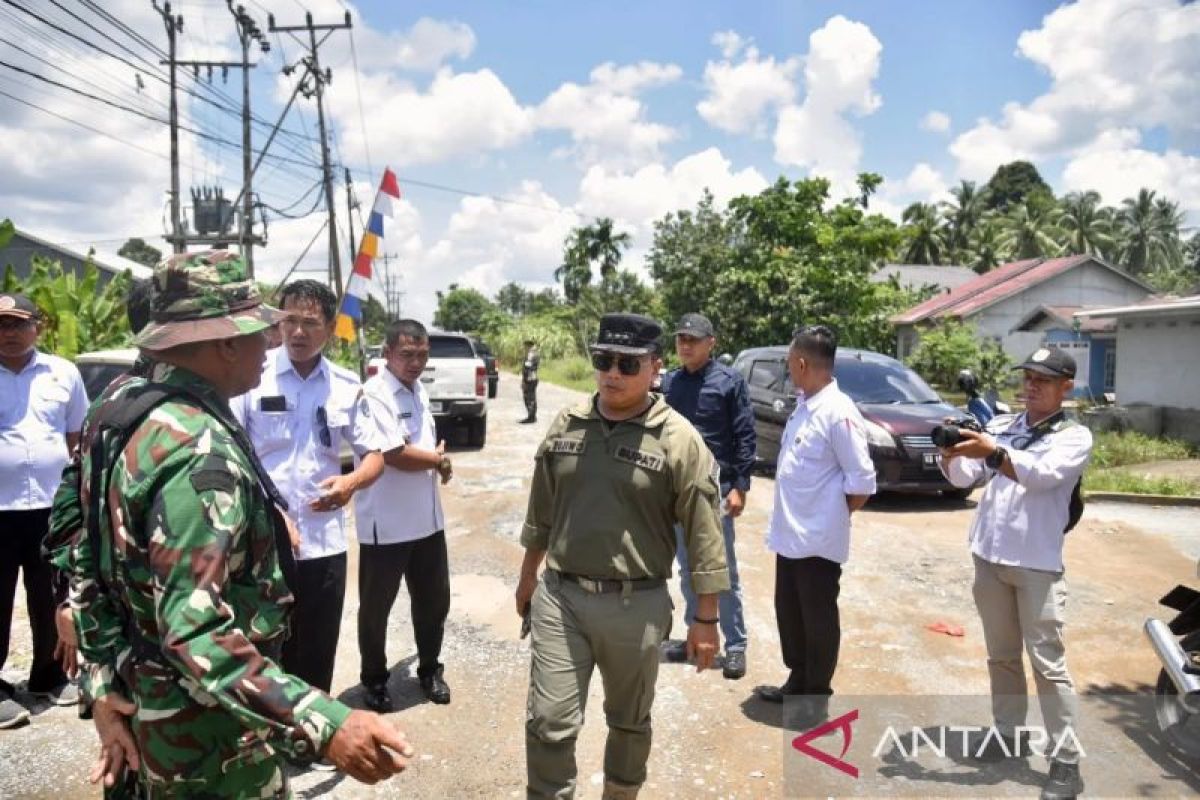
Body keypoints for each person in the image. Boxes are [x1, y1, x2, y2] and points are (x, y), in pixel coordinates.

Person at [63, 250, 412, 795]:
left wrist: (101, 683)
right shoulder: (200, 453)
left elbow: (84, 559)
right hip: (204, 743)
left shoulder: (118, 405)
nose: (270, 343)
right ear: (226, 344)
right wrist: (327, 721)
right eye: (261, 332)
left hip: (139, 716)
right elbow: (196, 632)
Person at [515, 312, 730, 800]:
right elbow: (541, 510)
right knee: (548, 721)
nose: (612, 373)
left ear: (656, 368)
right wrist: (528, 576)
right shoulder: (568, 424)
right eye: (603, 360)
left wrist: (707, 618)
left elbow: (704, 534)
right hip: (561, 597)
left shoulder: (678, 439)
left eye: (627, 365)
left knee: (630, 724)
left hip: (637, 605)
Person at [939, 346, 1091, 800]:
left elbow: (1041, 474)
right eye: (1027, 377)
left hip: (1036, 564)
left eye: (1042, 380)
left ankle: (1066, 761)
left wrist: (993, 452)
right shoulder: (1005, 424)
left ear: (1066, 387)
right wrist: (950, 453)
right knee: (1001, 656)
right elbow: (966, 476)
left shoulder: (1073, 435)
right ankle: (1007, 734)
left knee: (1048, 665)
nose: (1031, 386)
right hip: (989, 558)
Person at [232, 279, 389, 699]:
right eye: (290, 321)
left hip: (324, 541)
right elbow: (232, 452)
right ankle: (271, 736)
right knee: (263, 643)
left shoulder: (344, 384)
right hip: (263, 541)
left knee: (318, 645)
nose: (298, 332)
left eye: (310, 322)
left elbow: (375, 454)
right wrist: (272, 509)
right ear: (277, 323)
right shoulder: (252, 377)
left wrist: (351, 483)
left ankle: (312, 737)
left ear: (330, 326)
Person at [756, 325, 876, 728]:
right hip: (790, 535)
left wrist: (831, 517)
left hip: (817, 540)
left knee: (818, 619)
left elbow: (862, 483)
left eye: (791, 364)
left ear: (803, 363)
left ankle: (816, 698)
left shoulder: (838, 412)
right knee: (790, 613)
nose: (790, 371)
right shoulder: (805, 405)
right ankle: (798, 680)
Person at [355, 319, 454, 711]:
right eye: (407, 355)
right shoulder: (376, 394)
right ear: (388, 354)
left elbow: (422, 446)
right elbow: (393, 453)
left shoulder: (419, 391)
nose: (415, 362)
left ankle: (430, 670)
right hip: (388, 524)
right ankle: (375, 680)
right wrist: (437, 459)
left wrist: (434, 456)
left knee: (433, 602)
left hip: (428, 521)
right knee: (376, 609)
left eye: (422, 354)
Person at [0, 292, 87, 729]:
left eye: (18, 323)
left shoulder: (63, 373)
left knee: (50, 595)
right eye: (1, 325)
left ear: (39, 326)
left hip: (51, 508)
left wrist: (80, 500)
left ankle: (48, 675)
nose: (9, 333)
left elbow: (76, 439)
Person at [661, 313, 756, 680]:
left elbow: (744, 435)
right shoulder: (670, 383)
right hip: (677, 490)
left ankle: (735, 646)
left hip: (715, 490)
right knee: (686, 569)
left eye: (693, 340)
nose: (685, 345)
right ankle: (694, 636)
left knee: (721, 572)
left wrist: (740, 487)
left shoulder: (729, 382)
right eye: (681, 339)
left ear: (711, 342)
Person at [520, 338, 541, 424]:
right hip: (533, 377)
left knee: (529, 397)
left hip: (529, 378)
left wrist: (524, 380)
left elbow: (528, 368)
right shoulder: (535, 353)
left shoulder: (530, 354)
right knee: (532, 397)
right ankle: (532, 416)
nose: (524, 348)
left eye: (525, 346)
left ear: (528, 345)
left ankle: (531, 417)